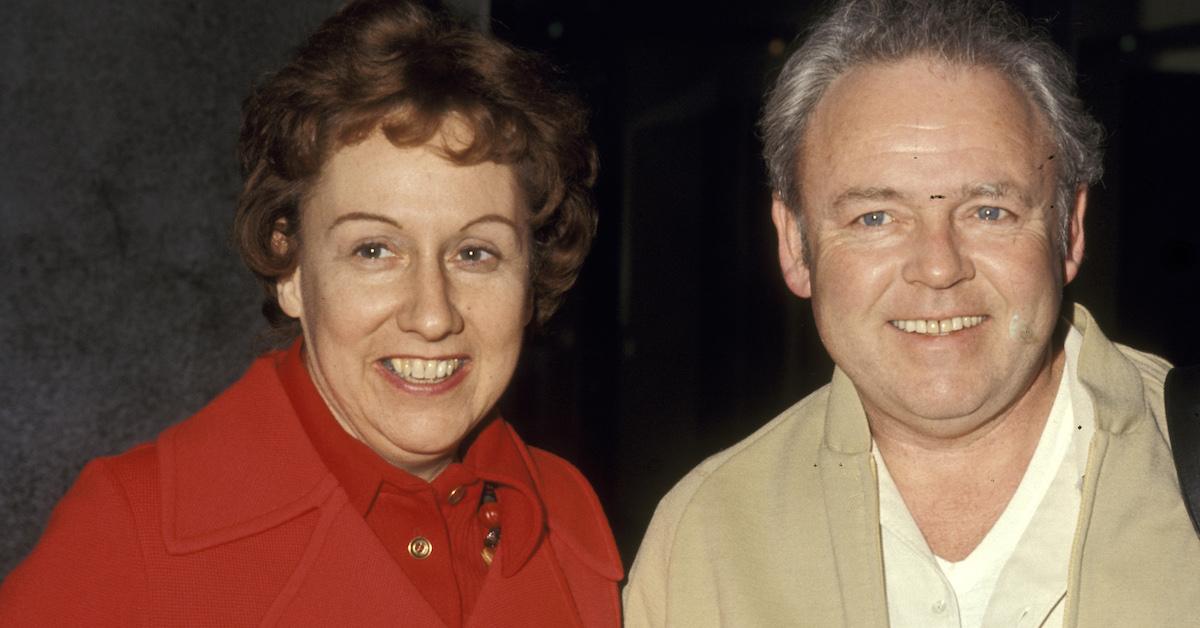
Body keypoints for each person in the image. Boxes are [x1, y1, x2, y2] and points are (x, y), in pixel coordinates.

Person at [0, 1, 622, 625]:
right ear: (291, 269)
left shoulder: (572, 526)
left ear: (529, 275)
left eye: (475, 252)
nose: (432, 316)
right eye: (374, 250)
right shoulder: (128, 531)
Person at [623, 0, 1200, 626]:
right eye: (875, 217)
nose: (938, 266)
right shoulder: (703, 541)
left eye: (988, 211)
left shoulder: (1183, 473)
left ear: (1070, 230)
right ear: (795, 245)